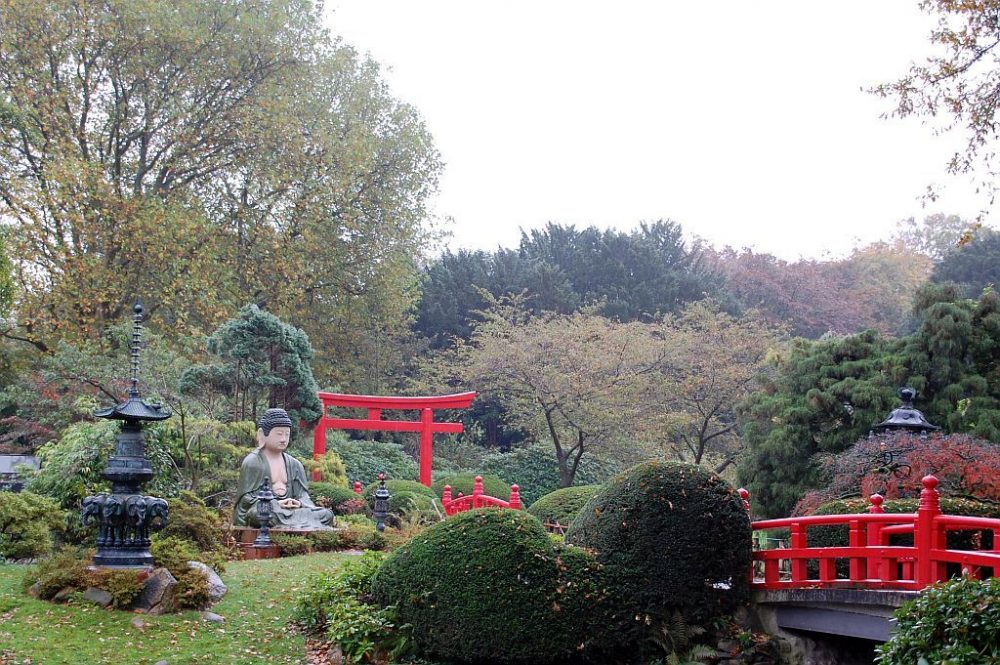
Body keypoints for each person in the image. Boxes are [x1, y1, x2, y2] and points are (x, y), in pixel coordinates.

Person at [234, 408, 334, 529]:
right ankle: (297, 524)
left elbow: (303, 495)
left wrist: (299, 503)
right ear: (262, 434)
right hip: (270, 510)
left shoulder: (295, 464)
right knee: (261, 514)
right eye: (279, 434)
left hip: (292, 511)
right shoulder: (253, 462)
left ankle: (292, 524)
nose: (283, 439)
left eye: (287, 434)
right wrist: (276, 503)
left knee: (326, 514)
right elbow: (245, 500)